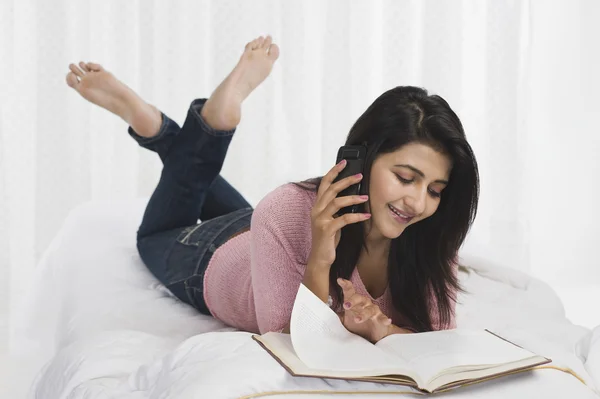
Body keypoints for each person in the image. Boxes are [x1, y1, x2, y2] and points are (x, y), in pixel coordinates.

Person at [66, 35, 479, 344]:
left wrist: (381, 329)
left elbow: (439, 340)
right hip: (213, 260)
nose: (419, 201)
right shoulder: (285, 209)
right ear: (363, 158)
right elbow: (285, 340)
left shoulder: (432, 232)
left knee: (203, 180)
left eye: (437, 189)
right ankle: (162, 127)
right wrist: (320, 256)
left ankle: (164, 132)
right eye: (406, 178)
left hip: (262, 230)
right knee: (152, 236)